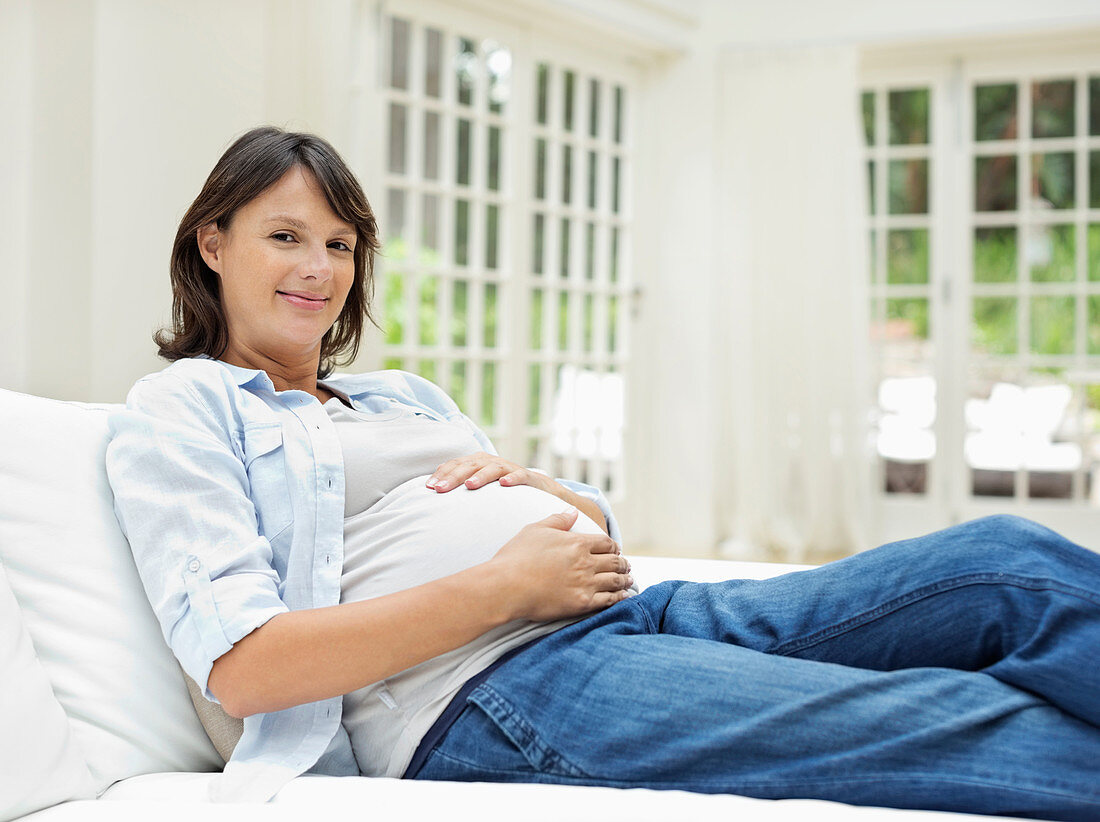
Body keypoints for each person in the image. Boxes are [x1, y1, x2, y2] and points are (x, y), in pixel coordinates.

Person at [106, 126, 1100, 820]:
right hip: (485, 694)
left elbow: (553, 516)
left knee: (1002, 563)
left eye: (339, 244)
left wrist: (566, 505)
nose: (318, 268)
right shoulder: (183, 410)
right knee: (938, 720)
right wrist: (500, 584)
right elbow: (245, 665)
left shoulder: (394, 395)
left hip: (626, 615)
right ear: (211, 241)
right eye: (285, 237)